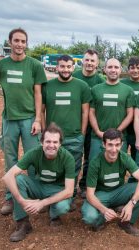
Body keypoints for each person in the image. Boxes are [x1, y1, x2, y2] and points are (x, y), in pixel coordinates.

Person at [0, 28, 47, 215]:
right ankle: (10, 198)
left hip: (29, 120)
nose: (19, 44)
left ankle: (35, 194)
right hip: (9, 119)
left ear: (26, 44)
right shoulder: (1, 65)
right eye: (16, 40)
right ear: (10, 42)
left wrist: (37, 120)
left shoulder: (34, 65)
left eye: (23, 41)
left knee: (34, 158)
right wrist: (1, 91)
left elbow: (38, 93)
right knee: (10, 159)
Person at [2, 123, 75, 242]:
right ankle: (23, 223)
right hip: (39, 186)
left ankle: (54, 214)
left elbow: (69, 191)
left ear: (60, 143)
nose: (51, 145)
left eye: (55, 142)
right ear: (41, 142)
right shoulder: (34, 153)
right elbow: (7, 176)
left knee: (63, 206)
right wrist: (22, 201)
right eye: (48, 141)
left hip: (57, 189)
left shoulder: (67, 158)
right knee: (18, 179)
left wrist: (42, 203)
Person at [41, 55, 92, 210]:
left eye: (69, 66)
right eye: (62, 66)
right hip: (53, 138)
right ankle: (51, 196)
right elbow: (41, 111)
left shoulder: (81, 86)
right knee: (52, 167)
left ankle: (68, 196)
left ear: (73, 67)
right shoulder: (48, 86)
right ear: (57, 68)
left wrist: (82, 133)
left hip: (74, 136)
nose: (65, 69)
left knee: (73, 168)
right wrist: (45, 133)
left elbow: (85, 112)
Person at [81, 129, 139, 236]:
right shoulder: (95, 162)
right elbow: (89, 194)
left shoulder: (124, 157)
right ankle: (105, 216)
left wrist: (131, 204)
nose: (114, 149)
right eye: (110, 145)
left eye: (117, 145)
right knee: (89, 217)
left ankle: (126, 222)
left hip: (118, 192)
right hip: (101, 195)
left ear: (122, 144)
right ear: (104, 144)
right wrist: (104, 210)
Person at [73, 49, 105, 199]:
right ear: (82, 61)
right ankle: (69, 187)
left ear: (97, 63)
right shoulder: (74, 77)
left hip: (93, 127)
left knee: (89, 158)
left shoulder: (100, 82)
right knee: (73, 156)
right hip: (75, 123)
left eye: (93, 61)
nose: (90, 63)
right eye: (87, 60)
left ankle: (84, 185)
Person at [89, 58, 134, 161]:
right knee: (94, 166)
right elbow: (91, 112)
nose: (113, 70)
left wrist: (117, 131)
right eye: (110, 67)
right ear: (104, 69)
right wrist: (97, 131)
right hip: (98, 137)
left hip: (119, 137)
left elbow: (130, 114)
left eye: (116, 67)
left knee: (118, 168)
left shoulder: (128, 90)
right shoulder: (96, 89)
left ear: (121, 69)